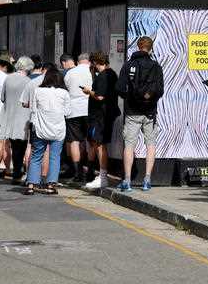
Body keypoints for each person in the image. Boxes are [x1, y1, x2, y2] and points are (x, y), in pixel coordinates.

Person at [116, 36, 164, 192]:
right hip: (150, 112)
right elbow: (160, 90)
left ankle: (127, 181)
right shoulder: (156, 66)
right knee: (151, 144)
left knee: (129, 145)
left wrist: (131, 98)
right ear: (151, 48)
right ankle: (147, 179)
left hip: (132, 112)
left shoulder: (129, 65)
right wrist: (148, 99)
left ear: (138, 46)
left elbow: (120, 88)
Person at [24, 68, 71, 195]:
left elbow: (33, 109)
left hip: (40, 129)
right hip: (58, 130)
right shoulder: (64, 93)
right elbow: (68, 112)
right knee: (55, 157)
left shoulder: (38, 91)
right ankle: (51, 185)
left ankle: (31, 185)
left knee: (36, 156)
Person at [83, 52, 120, 190]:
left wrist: (89, 91)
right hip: (104, 115)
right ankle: (97, 173)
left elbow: (99, 97)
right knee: (96, 143)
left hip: (100, 116)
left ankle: (103, 176)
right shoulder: (111, 74)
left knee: (99, 144)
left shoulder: (104, 76)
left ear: (95, 62)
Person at [0, 56, 34, 184]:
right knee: (23, 147)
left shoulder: (8, 78)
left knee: (14, 146)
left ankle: (16, 172)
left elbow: (2, 97)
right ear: (28, 68)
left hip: (9, 117)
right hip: (24, 118)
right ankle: (21, 172)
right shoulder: (28, 81)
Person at [64, 52, 93, 184]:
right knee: (90, 140)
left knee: (75, 140)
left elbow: (66, 89)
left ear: (78, 61)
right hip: (89, 109)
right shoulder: (91, 71)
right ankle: (90, 171)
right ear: (89, 61)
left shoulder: (70, 73)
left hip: (73, 110)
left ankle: (77, 172)